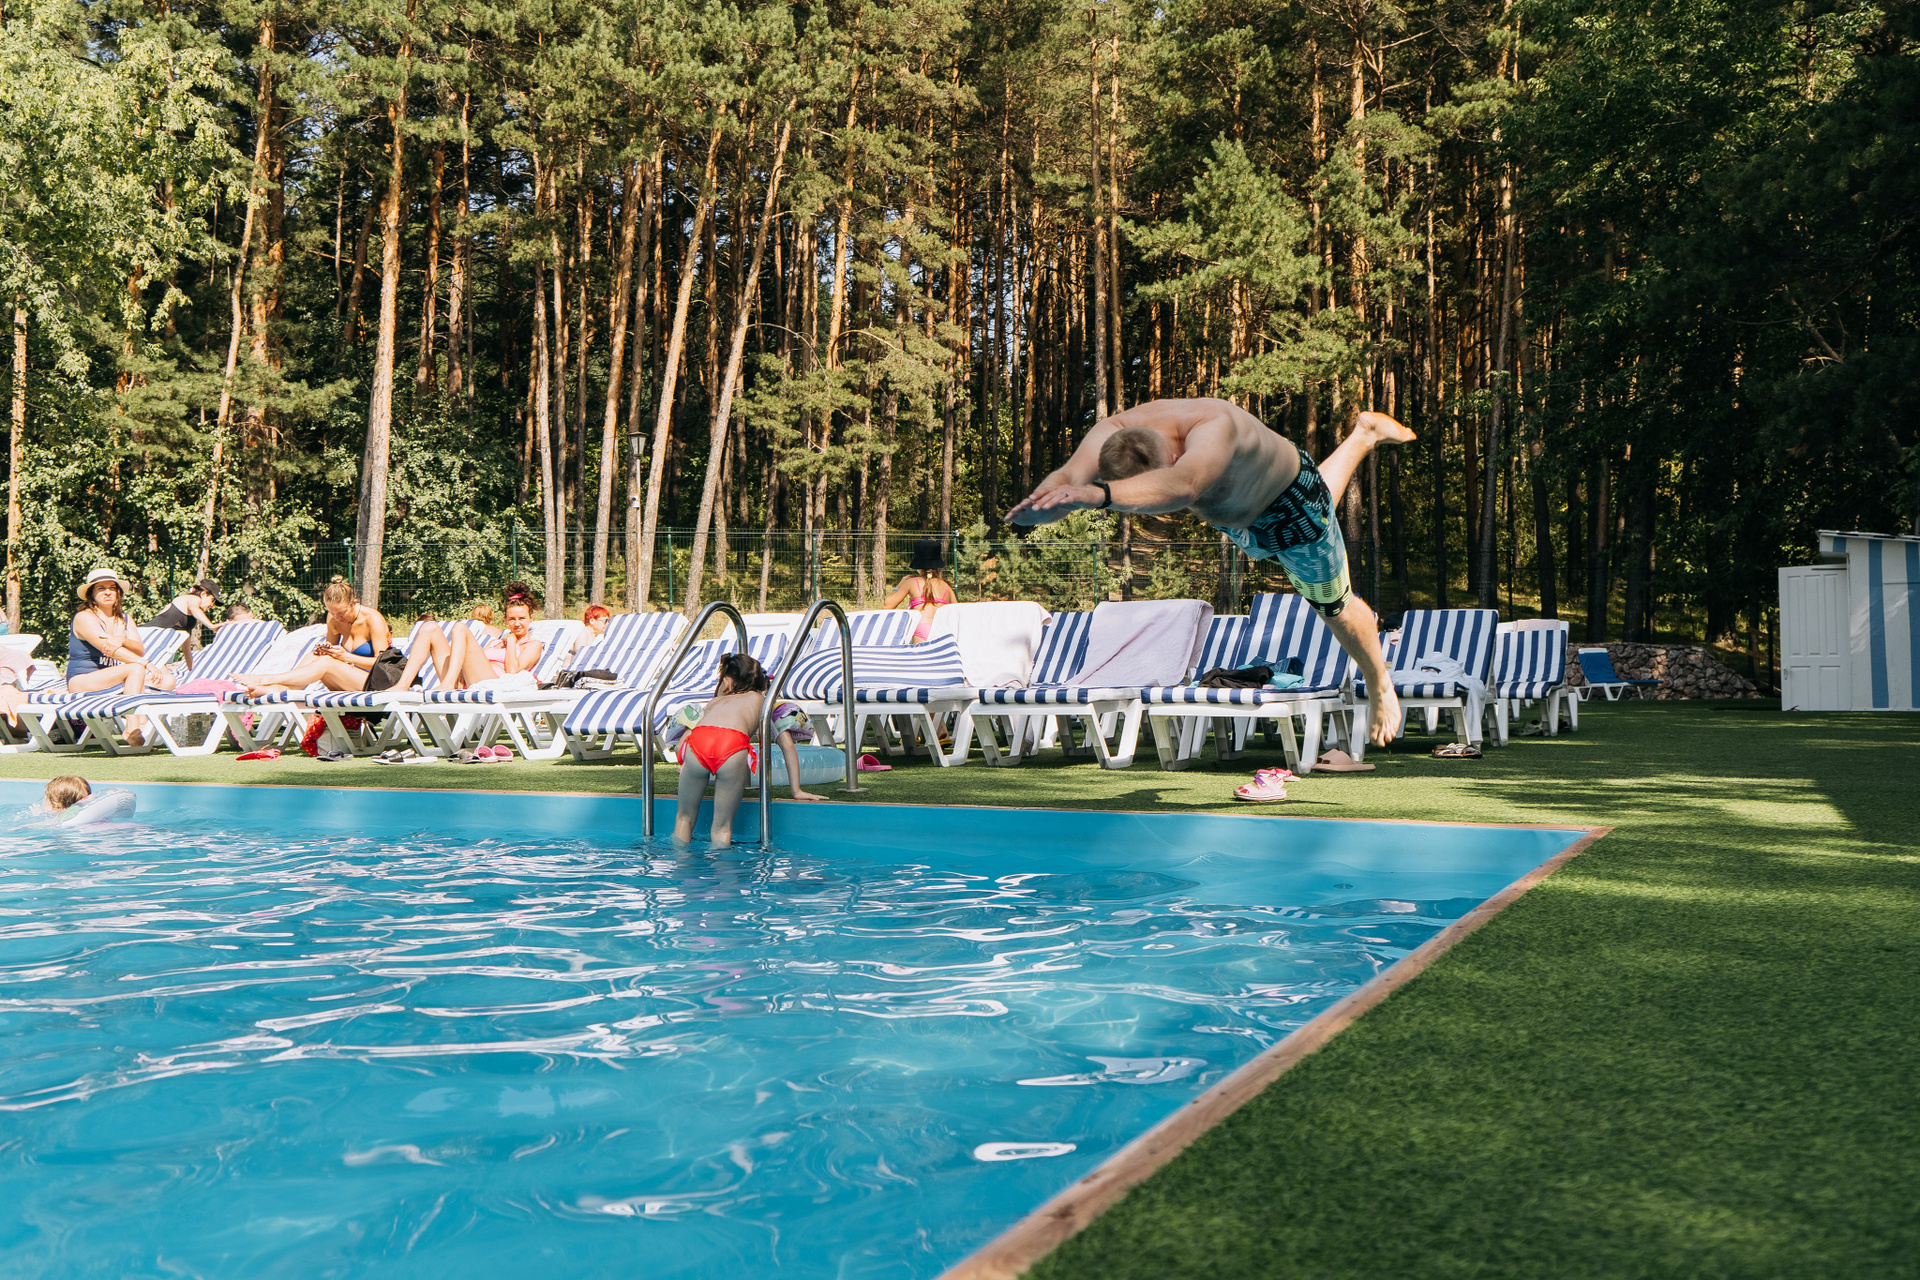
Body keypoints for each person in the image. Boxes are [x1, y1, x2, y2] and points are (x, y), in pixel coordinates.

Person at [1006, 397, 1414, 748]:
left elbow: (1184, 486)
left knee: (1333, 605)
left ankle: (1377, 679)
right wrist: (1045, 503)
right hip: (1242, 519)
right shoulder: (1112, 431)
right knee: (1312, 527)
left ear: (1172, 457)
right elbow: (1068, 478)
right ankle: (1364, 434)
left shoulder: (1213, 425)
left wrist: (1099, 495)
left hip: (1290, 510)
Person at [673, 652, 826, 846]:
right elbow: (787, 745)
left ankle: (679, 862)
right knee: (722, 828)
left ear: (726, 682)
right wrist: (796, 790)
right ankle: (722, 864)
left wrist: (688, 767)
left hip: (699, 740)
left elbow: (681, 745)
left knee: (684, 818)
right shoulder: (763, 703)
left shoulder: (714, 703)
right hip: (732, 743)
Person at [68, 568, 179, 746]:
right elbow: (108, 649)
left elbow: (139, 650)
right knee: (135, 668)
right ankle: (132, 729)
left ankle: (143, 723)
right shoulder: (84, 618)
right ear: (91, 595)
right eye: (101, 588)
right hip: (82, 680)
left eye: (112, 588)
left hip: (112, 680)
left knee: (167, 680)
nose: (107, 592)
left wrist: (122, 639)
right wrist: (145, 663)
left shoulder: (124, 619)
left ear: (118, 593)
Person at [231, 577, 394, 695]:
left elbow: (383, 665)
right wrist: (326, 650)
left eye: (342, 613)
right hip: (348, 678)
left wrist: (346, 657)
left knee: (326, 662)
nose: (337, 618)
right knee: (313, 656)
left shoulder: (372, 619)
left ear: (354, 603)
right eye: (332, 613)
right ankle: (278, 689)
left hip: (378, 682)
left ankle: (266, 680)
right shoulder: (334, 618)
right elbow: (329, 651)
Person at [883, 539, 958, 643]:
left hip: (921, 628)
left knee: (920, 654)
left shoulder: (912, 582)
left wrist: (900, 584)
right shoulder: (946, 587)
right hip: (942, 630)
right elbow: (956, 612)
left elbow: (887, 606)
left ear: (918, 566)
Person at [146, 578, 225, 669]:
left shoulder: (190, 619)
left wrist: (191, 671)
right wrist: (211, 626)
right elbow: (194, 609)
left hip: (155, 646)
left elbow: (186, 650)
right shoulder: (193, 599)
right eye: (213, 600)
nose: (212, 605)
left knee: (166, 676)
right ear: (203, 594)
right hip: (147, 637)